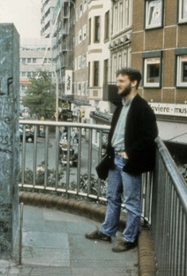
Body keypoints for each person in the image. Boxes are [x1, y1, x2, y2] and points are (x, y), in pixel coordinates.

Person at [85, 68, 158, 252]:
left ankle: (129, 238)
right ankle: (107, 231)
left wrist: (130, 152)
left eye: (121, 81)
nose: (117, 84)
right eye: (117, 80)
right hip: (114, 159)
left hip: (128, 161)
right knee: (112, 197)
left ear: (133, 83)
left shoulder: (142, 107)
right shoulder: (122, 105)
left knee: (131, 201)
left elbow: (150, 137)